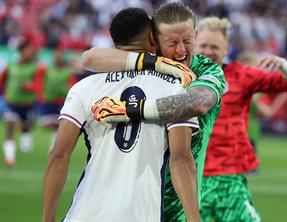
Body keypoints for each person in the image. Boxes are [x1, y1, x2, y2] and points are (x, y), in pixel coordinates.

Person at [42, 8, 200, 222]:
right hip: (141, 215)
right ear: (152, 36)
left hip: (82, 214)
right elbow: (181, 158)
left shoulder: (85, 87)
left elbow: (58, 155)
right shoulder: (176, 88)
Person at [82, 2, 227, 221]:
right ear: (155, 40)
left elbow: (198, 102)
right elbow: (89, 58)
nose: (181, 50)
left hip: (178, 209)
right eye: (172, 42)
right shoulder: (146, 64)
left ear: (195, 35)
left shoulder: (207, 69)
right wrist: (157, 64)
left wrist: (133, 109)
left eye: (187, 41)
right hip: (132, 206)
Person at [194, 16, 287, 221]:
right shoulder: (181, 76)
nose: (208, 51)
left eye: (215, 46)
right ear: (194, 44)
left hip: (229, 177)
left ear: (226, 48)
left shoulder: (242, 76)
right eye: (203, 45)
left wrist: (283, 64)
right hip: (191, 178)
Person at [0, 40, 45, 167]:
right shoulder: (10, 66)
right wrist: (5, 93)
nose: (30, 53)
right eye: (28, 50)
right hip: (12, 103)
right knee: (9, 126)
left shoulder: (36, 68)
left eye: (31, 51)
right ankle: (10, 158)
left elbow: (39, 85)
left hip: (28, 105)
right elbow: (2, 80)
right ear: (21, 52)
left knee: (26, 129)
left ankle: (26, 136)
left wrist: (28, 87)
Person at [35, 48, 77, 150]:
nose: (58, 58)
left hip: (61, 103)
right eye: (56, 56)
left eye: (60, 56)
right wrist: (41, 96)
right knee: (47, 124)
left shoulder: (67, 72)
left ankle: (53, 148)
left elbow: (73, 85)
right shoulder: (46, 69)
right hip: (48, 102)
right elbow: (39, 82)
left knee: (58, 127)